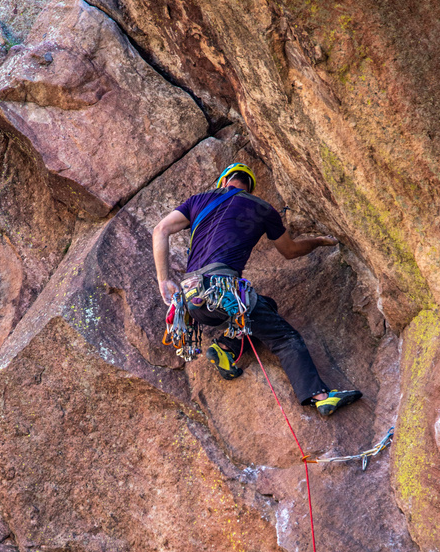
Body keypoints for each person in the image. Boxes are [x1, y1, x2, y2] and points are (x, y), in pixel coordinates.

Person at [152, 163, 362, 414]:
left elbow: (160, 229)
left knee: (265, 307)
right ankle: (321, 396)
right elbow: (290, 251)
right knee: (286, 339)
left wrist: (164, 279)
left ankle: (226, 346)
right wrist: (318, 241)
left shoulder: (198, 201)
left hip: (191, 301)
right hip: (224, 291)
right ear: (249, 187)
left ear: (224, 181)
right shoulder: (261, 207)